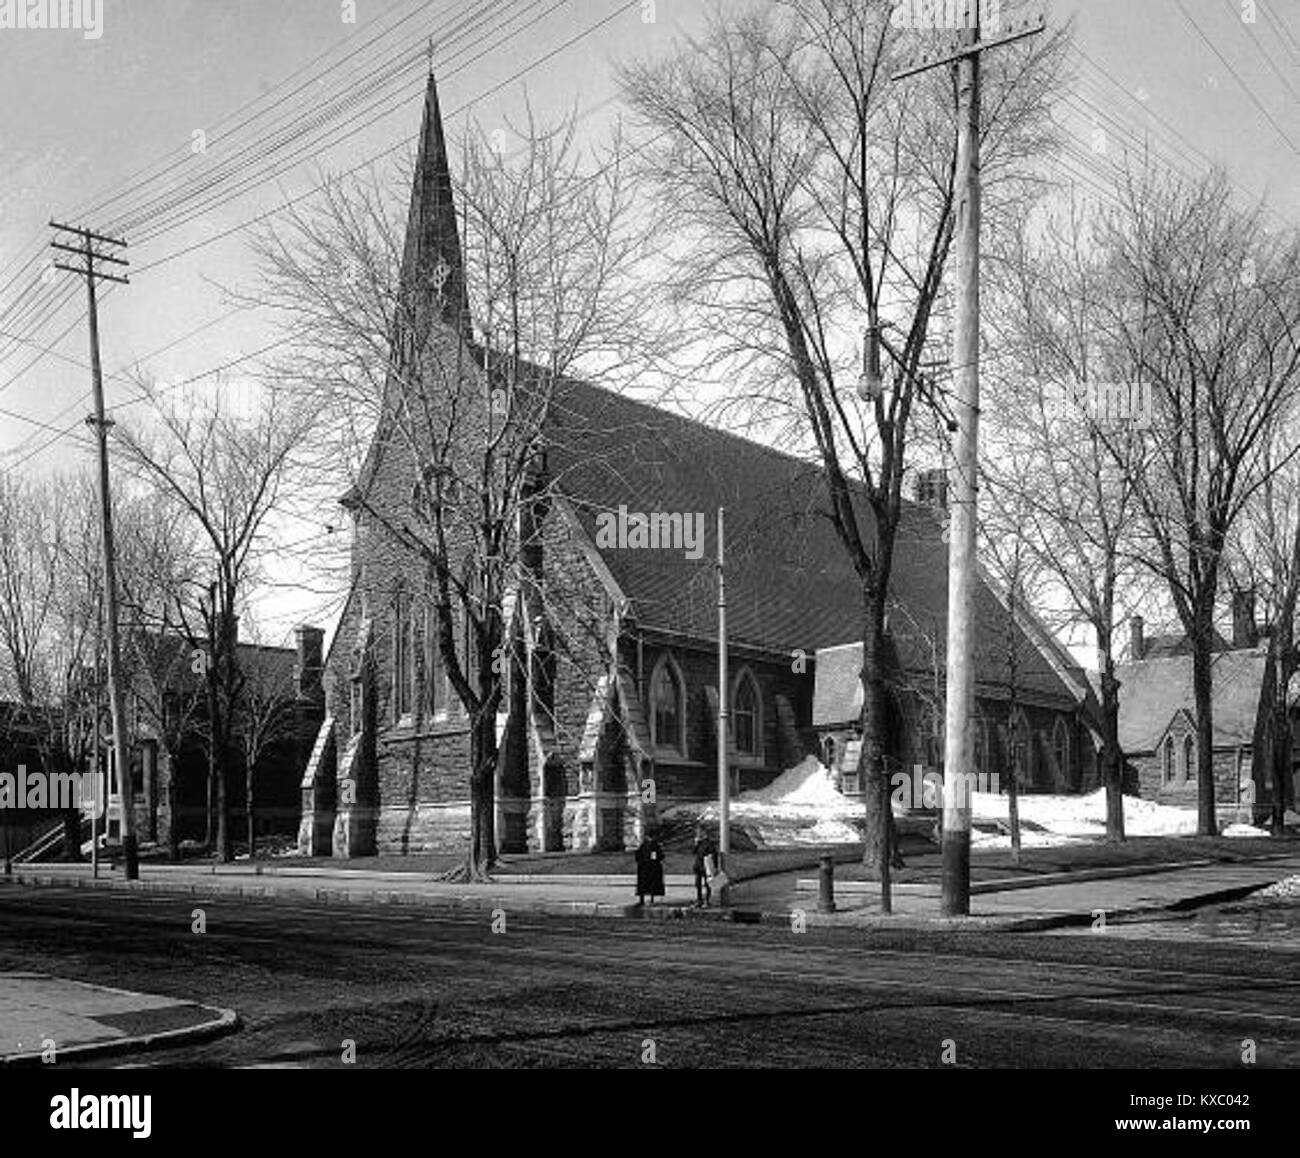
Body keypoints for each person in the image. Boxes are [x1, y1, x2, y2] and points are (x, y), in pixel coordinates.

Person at [634, 827, 665, 906]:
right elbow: (660, 856)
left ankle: (642, 900)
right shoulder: (655, 845)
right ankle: (651, 899)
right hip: (652, 867)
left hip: (643, 867)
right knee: (652, 884)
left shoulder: (643, 845)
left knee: (643, 884)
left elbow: (637, 856)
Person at [691, 824, 716, 908]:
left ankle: (707, 900)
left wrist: (713, 865)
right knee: (697, 884)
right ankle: (699, 900)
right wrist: (696, 843)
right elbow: (693, 852)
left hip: (706, 866)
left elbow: (712, 854)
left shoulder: (709, 843)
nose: (697, 834)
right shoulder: (699, 843)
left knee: (707, 884)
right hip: (698, 865)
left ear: (703, 832)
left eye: (699, 832)